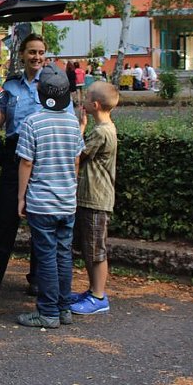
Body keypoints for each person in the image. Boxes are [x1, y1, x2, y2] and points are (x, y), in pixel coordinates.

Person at [0, 33, 73, 295]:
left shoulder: (53, 84)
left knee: (41, 219)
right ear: (22, 55)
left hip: (42, 158)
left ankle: (37, 279)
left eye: (41, 53)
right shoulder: (11, 86)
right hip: (14, 157)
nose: (37, 57)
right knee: (4, 220)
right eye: (32, 52)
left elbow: (65, 119)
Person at [15, 66, 84, 328]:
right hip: (67, 201)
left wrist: (21, 198)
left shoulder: (33, 122)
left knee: (45, 256)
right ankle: (64, 309)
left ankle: (48, 313)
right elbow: (77, 160)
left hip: (41, 202)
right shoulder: (72, 123)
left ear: (40, 94)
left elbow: (26, 164)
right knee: (64, 255)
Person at [70, 82, 119, 316]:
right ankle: (93, 291)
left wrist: (79, 129)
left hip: (96, 199)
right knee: (90, 247)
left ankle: (99, 296)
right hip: (92, 197)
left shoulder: (101, 132)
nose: (83, 101)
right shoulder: (106, 127)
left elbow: (78, 153)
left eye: (87, 98)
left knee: (96, 249)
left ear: (95, 105)